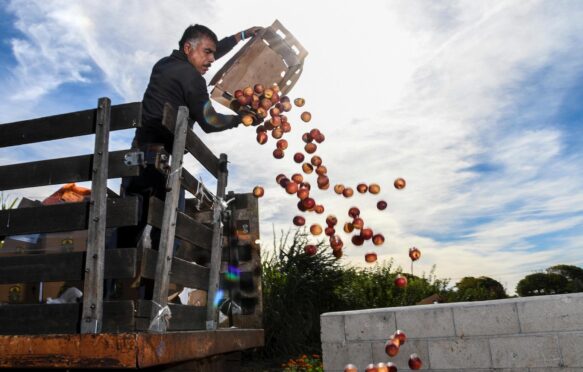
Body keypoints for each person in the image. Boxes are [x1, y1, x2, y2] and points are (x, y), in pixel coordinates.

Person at [117, 24, 261, 262]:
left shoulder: (164, 64)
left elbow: (204, 52)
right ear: (188, 48)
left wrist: (240, 36)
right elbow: (210, 121)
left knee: (128, 229)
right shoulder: (192, 78)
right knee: (170, 233)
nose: (212, 59)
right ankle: (154, 293)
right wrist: (240, 119)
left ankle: (112, 289)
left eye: (213, 53)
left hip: (137, 158)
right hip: (161, 166)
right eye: (207, 53)